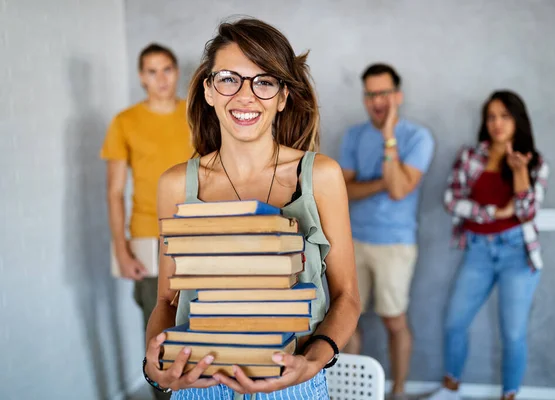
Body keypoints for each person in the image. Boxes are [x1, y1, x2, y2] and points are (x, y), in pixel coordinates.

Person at [141, 18, 361, 400]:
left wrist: (311, 363)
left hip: (294, 386)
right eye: (228, 78)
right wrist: (154, 368)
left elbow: (347, 296)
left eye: (264, 81)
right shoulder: (175, 184)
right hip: (199, 388)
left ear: (283, 96)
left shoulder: (320, 176)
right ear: (209, 90)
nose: (245, 96)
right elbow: (166, 300)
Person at [427, 90, 549, 400]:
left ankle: (509, 395)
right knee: (455, 322)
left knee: (513, 334)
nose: (497, 123)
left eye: (504, 116)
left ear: (517, 120)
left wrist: (520, 172)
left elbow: (527, 213)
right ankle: (450, 389)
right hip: (478, 250)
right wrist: (494, 212)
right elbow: (451, 201)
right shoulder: (470, 156)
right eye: (491, 116)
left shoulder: (534, 162)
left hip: (517, 254)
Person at [100, 43, 192, 400]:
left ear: (176, 71)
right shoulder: (125, 122)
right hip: (146, 239)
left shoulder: (196, 113)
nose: (161, 78)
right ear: (141, 77)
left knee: (205, 326)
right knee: (159, 336)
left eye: (166, 69)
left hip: (197, 233)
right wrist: (121, 250)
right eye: (152, 71)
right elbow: (113, 192)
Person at [339, 63, 435, 399]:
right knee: (349, 321)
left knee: (394, 321)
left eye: (383, 93)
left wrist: (389, 136)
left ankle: (398, 391)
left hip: (395, 244)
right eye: (370, 94)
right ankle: (349, 392)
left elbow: (397, 192)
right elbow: (346, 191)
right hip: (354, 241)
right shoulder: (353, 136)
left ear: (397, 96)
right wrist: (386, 180)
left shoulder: (417, 138)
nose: (377, 100)